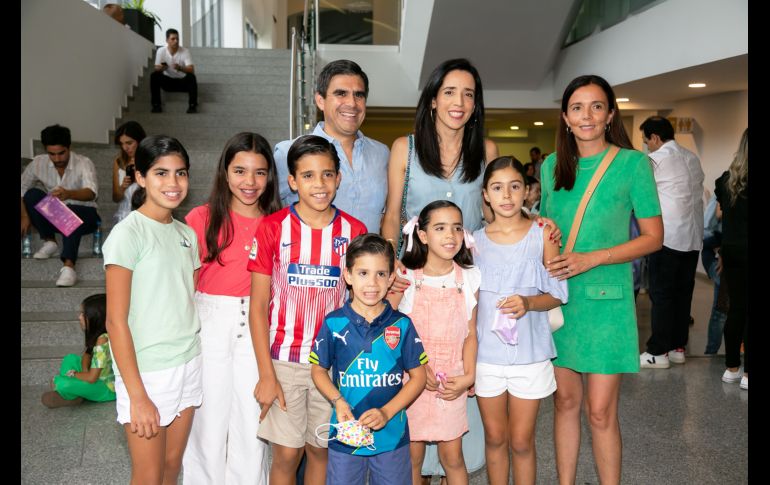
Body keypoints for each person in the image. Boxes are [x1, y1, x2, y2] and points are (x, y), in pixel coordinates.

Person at [540, 74, 663, 484]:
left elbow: (653, 238)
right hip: (561, 302)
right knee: (565, 403)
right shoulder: (551, 166)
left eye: (596, 106)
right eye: (577, 107)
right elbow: (546, 232)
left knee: (600, 411)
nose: (586, 115)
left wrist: (594, 258)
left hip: (608, 304)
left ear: (610, 114)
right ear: (565, 116)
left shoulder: (633, 164)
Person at [247, 135, 367, 485]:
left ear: (339, 179)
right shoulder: (272, 227)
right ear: (293, 181)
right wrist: (266, 374)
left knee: (321, 449)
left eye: (328, 175)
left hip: (331, 364)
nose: (320, 184)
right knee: (286, 453)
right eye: (309, 175)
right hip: (283, 360)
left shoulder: (354, 231)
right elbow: (257, 307)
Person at [182, 132, 282, 484]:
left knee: (251, 423)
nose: (249, 182)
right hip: (209, 322)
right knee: (207, 423)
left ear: (270, 176)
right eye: (240, 171)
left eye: (259, 172)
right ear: (225, 172)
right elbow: (185, 284)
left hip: (257, 325)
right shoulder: (200, 218)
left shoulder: (280, 223)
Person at [103, 135, 202, 484]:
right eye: (161, 173)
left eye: (181, 173)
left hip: (188, 361)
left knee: (172, 465)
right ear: (141, 177)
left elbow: (184, 299)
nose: (173, 183)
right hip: (147, 371)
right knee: (147, 474)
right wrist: (137, 395)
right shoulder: (127, 234)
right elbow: (115, 321)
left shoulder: (186, 234)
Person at [471, 157, 567, 485]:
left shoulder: (543, 234)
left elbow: (557, 294)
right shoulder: (474, 242)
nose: (507, 195)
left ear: (527, 191)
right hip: (486, 357)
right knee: (495, 438)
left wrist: (528, 302)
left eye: (515, 187)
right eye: (498, 188)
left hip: (530, 355)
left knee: (522, 441)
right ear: (485, 194)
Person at [310, 233, 428, 485]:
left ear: (391, 278)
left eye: (381, 274)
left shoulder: (402, 325)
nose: (372, 283)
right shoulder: (333, 323)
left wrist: (387, 412)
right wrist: (338, 401)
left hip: (391, 437)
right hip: (346, 435)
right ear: (348, 275)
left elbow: (419, 377)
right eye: (363, 273)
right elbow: (318, 370)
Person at [387, 200, 480, 484]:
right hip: (412, 379)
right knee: (411, 457)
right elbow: (390, 333)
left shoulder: (469, 278)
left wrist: (469, 376)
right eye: (440, 228)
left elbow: (471, 333)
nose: (450, 236)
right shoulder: (406, 278)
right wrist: (414, 367)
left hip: (451, 381)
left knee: (453, 457)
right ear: (423, 235)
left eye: (456, 228)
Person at [274, 59, 389, 233]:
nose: (352, 103)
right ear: (320, 100)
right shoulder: (287, 153)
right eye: (341, 93)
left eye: (359, 94)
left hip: (369, 259)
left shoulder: (382, 154)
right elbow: (267, 211)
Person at [638, 116, 704, 368]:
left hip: (667, 237)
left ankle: (658, 352)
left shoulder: (655, 160)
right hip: (692, 237)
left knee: (662, 295)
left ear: (655, 138)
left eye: (647, 141)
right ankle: (678, 348)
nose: (647, 146)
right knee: (682, 295)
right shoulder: (692, 158)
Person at [21, 124, 101, 287]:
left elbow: (91, 193)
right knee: (33, 194)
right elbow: (21, 190)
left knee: (69, 212)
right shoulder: (38, 163)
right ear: (45, 150)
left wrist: (69, 193)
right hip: (55, 215)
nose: (57, 159)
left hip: (86, 214)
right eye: (52, 154)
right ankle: (50, 240)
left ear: (69, 147)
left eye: (61, 153)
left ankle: (69, 266)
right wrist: (24, 216)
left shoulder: (84, 162)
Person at [41, 293, 116, 408]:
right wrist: (83, 373)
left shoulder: (102, 341)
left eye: (83, 314)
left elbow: (92, 378)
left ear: (96, 318)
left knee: (59, 382)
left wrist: (74, 374)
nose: (79, 317)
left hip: (106, 389)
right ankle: (76, 394)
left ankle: (72, 395)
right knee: (70, 358)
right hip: (95, 376)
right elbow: (86, 355)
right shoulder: (99, 335)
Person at [715, 128, 748, 389]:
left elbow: (720, 215)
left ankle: (732, 368)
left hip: (733, 250)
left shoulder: (727, 180)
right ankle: (747, 376)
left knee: (737, 308)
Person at [701, 192, 726, 355]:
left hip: (734, 257)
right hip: (715, 257)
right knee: (721, 309)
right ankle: (711, 352)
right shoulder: (720, 197)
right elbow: (706, 233)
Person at [151, 28, 198, 114]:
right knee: (154, 75)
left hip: (182, 83)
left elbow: (191, 69)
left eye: (177, 39)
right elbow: (156, 68)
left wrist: (180, 68)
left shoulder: (185, 51)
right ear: (167, 40)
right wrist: (163, 68)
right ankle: (156, 105)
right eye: (173, 39)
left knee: (191, 77)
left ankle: (192, 106)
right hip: (168, 82)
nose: (176, 41)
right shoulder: (161, 51)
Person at [112, 121, 146, 224]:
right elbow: (116, 198)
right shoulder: (119, 162)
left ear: (140, 141)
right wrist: (123, 187)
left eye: (129, 143)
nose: (125, 148)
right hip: (124, 214)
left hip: (144, 214)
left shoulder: (151, 161)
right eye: (121, 144)